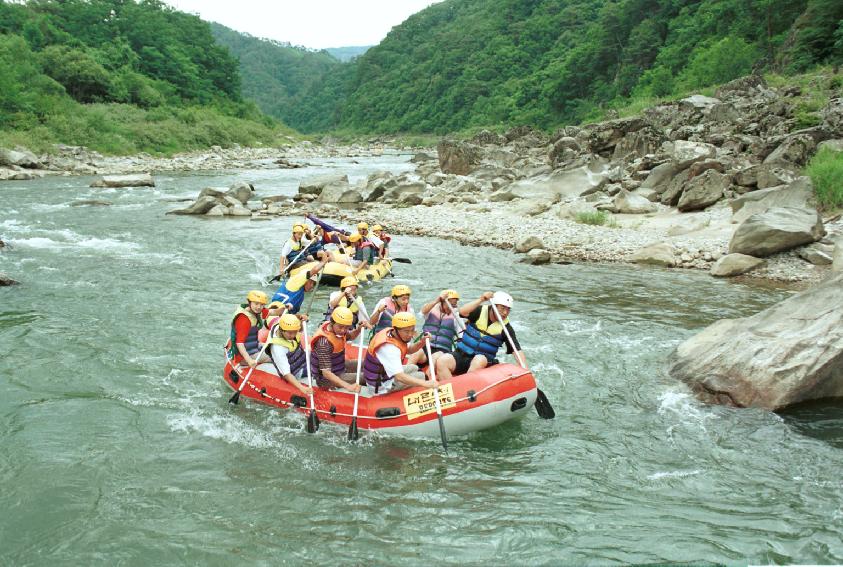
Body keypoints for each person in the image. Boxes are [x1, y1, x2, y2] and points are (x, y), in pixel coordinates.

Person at [435, 291, 525, 380]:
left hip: (484, 361)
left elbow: (516, 350)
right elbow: (462, 312)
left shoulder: (506, 328)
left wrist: (525, 370)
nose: (505, 312)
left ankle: (467, 387)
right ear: (494, 306)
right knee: (442, 361)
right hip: (462, 354)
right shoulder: (479, 311)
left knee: (479, 359)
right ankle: (453, 390)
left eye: (508, 309)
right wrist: (482, 299)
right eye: (502, 308)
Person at [361, 312, 431, 396]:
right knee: (421, 376)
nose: (410, 335)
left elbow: (409, 350)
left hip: (384, 375)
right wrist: (425, 384)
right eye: (406, 331)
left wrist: (422, 342)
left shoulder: (390, 332)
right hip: (380, 386)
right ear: (395, 329)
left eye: (412, 330)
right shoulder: (389, 348)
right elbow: (400, 377)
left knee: (414, 367)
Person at [309, 306, 371, 392]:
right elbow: (326, 373)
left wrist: (359, 329)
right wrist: (348, 386)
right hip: (326, 380)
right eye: (341, 327)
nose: (343, 330)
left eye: (346, 327)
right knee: (367, 377)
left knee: (368, 363)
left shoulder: (339, 330)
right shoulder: (324, 343)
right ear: (332, 322)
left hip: (338, 366)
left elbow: (351, 336)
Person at [258, 313, 313, 396]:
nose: (293, 335)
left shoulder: (279, 325)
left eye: (295, 332)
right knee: (320, 369)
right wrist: (302, 388)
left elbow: (295, 319)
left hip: (300, 358)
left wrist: (301, 318)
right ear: (281, 330)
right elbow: (286, 374)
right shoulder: (278, 348)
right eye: (290, 333)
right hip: (296, 371)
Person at [229, 290, 270, 368]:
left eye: (262, 305)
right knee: (277, 356)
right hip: (245, 356)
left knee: (275, 347)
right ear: (249, 302)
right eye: (256, 303)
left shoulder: (256, 311)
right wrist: (249, 360)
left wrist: (285, 307)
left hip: (254, 347)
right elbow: (239, 343)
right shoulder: (244, 319)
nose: (259, 307)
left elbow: (272, 312)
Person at [420, 289, 461, 356]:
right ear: (442, 302)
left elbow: (461, 335)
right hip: (426, 344)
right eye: (450, 304)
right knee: (417, 353)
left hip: (443, 349)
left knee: (436, 356)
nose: (451, 307)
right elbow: (423, 312)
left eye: (454, 305)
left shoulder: (457, 315)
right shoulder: (431, 309)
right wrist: (437, 301)